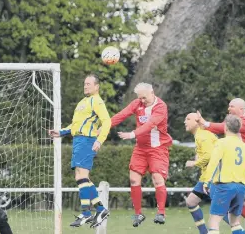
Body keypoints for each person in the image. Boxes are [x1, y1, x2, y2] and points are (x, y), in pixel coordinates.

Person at [49, 74, 111, 228]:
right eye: (85, 84)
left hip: (87, 141)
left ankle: (86, 212)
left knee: (81, 176)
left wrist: (99, 140)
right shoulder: (82, 102)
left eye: (89, 84)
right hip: (78, 141)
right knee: (82, 177)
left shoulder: (97, 101)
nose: (86, 86)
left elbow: (107, 121)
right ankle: (100, 209)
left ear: (97, 87)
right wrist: (61, 132)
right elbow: (75, 125)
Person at [110, 82, 172, 227]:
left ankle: (161, 213)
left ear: (152, 92)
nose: (142, 101)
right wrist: (105, 126)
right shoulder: (137, 103)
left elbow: (150, 124)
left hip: (157, 148)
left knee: (157, 178)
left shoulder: (160, 107)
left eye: (144, 98)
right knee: (133, 179)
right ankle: (138, 214)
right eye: (140, 98)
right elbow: (122, 115)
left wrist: (132, 134)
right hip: (140, 149)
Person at [197, 98, 245, 232]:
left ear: (241, 109)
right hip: (243, 166)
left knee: (214, 220)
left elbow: (213, 163)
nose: (228, 109)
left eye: (231, 106)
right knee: (234, 221)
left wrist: (205, 123)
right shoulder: (240, 140)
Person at [184, 113, 218, 233]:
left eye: (188, 119)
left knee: (219, 211)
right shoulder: (200, 135)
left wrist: (194, 163)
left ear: (197, 121)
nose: (185, 122)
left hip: (212, 177)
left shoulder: (202, 135)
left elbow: (209, 156)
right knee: (191, 201)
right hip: (206, 176)